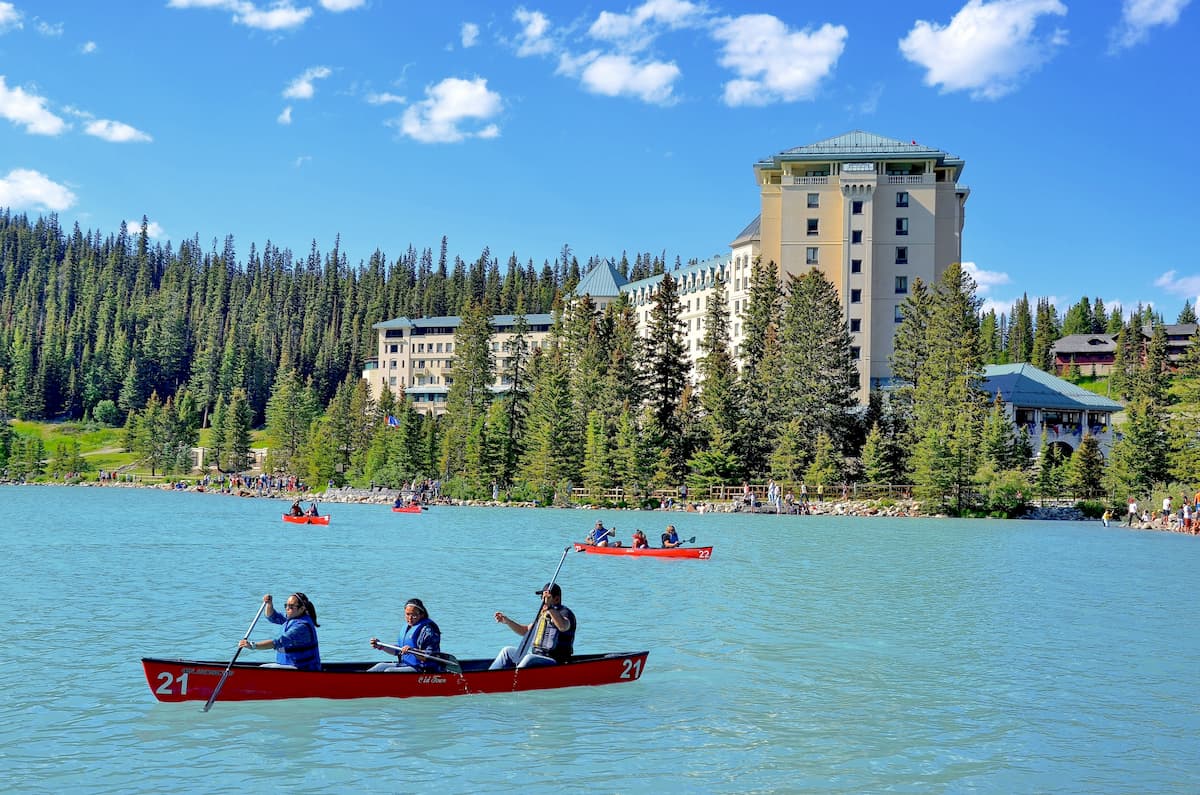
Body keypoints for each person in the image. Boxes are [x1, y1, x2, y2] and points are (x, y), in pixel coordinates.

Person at [489, 582, 576, 670]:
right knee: (506, 651)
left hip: (555, 661)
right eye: (542, 597)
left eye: (546, 598)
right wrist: (507, 621)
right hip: (537, 657)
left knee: (528, 658)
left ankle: (515, 679)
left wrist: (550, 608)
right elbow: (526, 630)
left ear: (556, 599)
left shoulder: (565, 613)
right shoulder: (543, 613)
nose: (543, 600)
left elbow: (563, 626)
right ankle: (489, 677)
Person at [239, 592, 320, 671]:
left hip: (303, 669)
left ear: (302, 609)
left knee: (263, 669)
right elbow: (272, 616)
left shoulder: (302, 627)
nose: (287, 608)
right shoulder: (292, 617)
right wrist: (269, 604)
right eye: (286, 605)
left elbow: (277, 642)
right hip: (289, 665)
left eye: (291, 606)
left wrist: (253, 645)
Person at [368, 598, 444, 672]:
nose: (410, 618)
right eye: (407, 614)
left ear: (421, 615)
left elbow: (430, 656)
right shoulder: (408, 627)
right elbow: (398, 651)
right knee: (379, 666)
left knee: (389, 671)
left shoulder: (428, 631)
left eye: (414, 615)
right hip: (405, 665)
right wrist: (381, 646)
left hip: (422, 669)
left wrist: (413, 650)